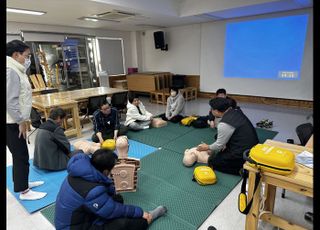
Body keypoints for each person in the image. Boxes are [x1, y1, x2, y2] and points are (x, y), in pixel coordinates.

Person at [55, 149, 167, 230]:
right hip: (75, 227)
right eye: (112, 168)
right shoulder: (92, 191)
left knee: (117, 199)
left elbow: (104, 192)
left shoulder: (82, 172)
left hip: (80, 217)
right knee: (125, 224)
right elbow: (112, 210)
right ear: (105, 171)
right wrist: (140, 212)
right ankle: (150, 217)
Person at [6, 40, 47, 200]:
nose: (28, 58)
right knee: (20, 155)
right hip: (12, 123)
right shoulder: (11, 71)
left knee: (21, 154)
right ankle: (24, 191)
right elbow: (10, 101)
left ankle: (23, 183)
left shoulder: (17, 70)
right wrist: (21, 121)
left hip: (15, 120)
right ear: (16, 55)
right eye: (26, 55)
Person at [195, 97, 258, 175]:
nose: (210, 111)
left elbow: (218, 145)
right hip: (253, 146)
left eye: (212, 109)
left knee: (214, 162)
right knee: (217, 136)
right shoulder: (236, 110)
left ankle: (243, 170)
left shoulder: (224, 124)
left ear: (217, 111)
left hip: (245, 154)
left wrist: (207, 147)